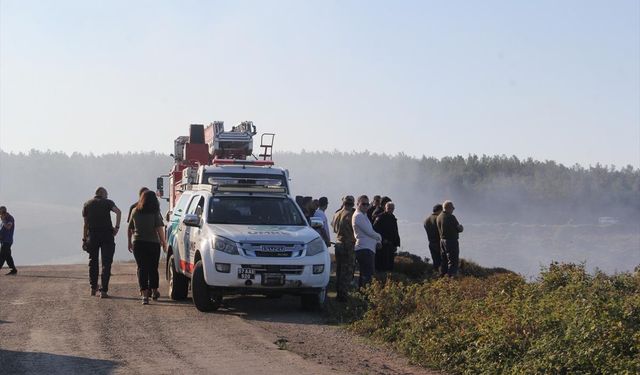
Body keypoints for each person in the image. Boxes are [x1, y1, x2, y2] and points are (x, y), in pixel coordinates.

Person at [128, 190, 167, 305]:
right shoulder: (155, 212)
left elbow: (131, 228)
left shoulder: (135, 211)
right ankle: (154, 292)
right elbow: (160, 229)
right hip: (153, 244)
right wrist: (164, 242)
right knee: (153, 268)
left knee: (142, 268)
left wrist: (130, 241)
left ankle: (145, 296)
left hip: (138, 243)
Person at [82, 187, 122, 298]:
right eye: (106, 194)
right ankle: (104, 290)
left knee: (93, 262)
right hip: (107, 235)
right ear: (102, 193)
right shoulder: (108, 203)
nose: (107, 196)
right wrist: (117, 227)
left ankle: (93, 288)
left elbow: (85, 224)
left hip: (93, 236)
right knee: (106, 263)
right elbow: (118, 212)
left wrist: (84, 239)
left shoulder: (87, 204)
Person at [352, 195, 382, 288]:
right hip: (364, 249)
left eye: (367, 204)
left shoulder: (363, 215)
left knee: (366, 275)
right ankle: (365, 297)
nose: (365, 206)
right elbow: (369, 232)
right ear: (357, 204)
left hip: (367, 248)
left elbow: (370, 231)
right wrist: (379, 237)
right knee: (367, 275)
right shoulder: (358, 216)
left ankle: (363, 295)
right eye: (363, 204)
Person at [332, 195, 356, 301]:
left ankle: (339, 293)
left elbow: (334, 228)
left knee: (339, 269)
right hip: (348, 244)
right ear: (353, 203)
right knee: (347, 270)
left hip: (338, 243)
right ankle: (343, 295)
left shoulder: (337, 213)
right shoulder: (351, 215)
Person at [436, 200, 464, 277]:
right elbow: (459, 229)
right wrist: (461, 227)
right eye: (452, 207)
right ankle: (451, 278)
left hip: (442, 241)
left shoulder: (439, 217)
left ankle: (442, 276)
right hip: (451, 241)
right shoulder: (451, 217)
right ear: (448, 208)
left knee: (444, 260)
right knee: (453, 261)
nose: (453, 209)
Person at [373, 202, 400, 272]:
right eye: (389, 208)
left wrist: (396, 243)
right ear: (385, 208)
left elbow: (395, 231)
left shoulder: (393, 218)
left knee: (390, 265)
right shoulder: (380, 217)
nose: (390, 210)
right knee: (381, 264)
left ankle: (388, 280)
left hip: (391, 244)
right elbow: (375, 229)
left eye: (392, 208)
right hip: (382, 245)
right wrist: (382, 239)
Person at [423, 204, 444, 275]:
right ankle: (444, 278)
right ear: (440, 210)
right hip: (439, 244)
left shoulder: (426, 220)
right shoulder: (438, 218)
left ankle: (436, 277)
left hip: (431, 243)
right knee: (443, 263)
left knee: (436, 262)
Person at [0, 206, 17, 275]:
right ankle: (13, 270)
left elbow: (8, 227)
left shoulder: (10, 218)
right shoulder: (3, 220)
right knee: (7, 256)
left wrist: (3, 220)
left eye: (1, 212)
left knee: (2, 255)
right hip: (3, 240)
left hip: (7, 241)